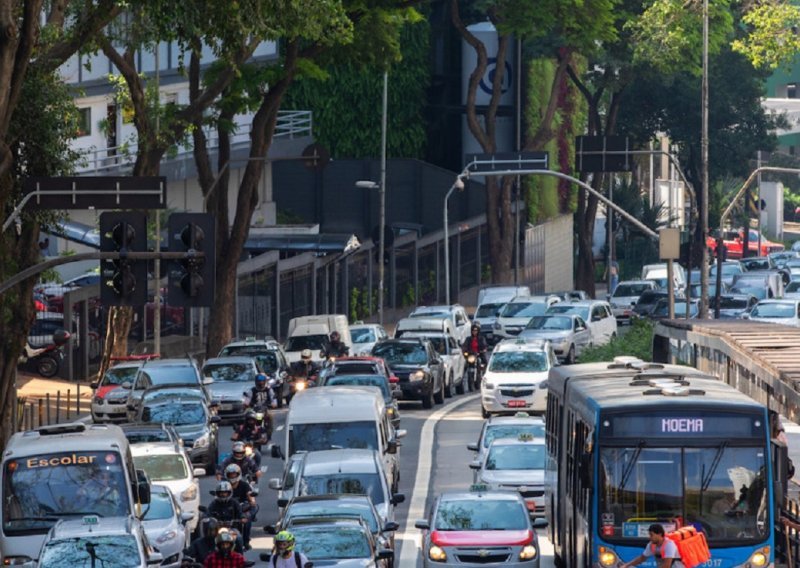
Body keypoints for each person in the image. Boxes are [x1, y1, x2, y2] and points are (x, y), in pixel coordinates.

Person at [224, 464, 258, 551]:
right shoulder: (224, 485)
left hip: (243, 508)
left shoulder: (244, 485)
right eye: (230, 474)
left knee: (247, 520)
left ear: (238, 474)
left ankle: (246, 541)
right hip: (228, 508)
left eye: (234, 474)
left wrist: (252, 501)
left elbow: (250, 495)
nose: (232, 476)